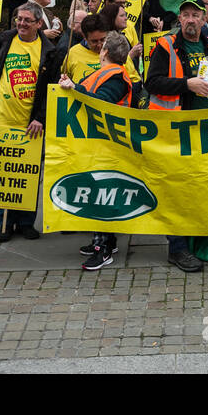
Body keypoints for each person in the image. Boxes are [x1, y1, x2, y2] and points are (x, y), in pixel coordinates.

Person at [141, 0, 208, 272]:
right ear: (179, 19)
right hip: (174, 129)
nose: (190, 19)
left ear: (204, 19)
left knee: (200, 186)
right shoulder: (166, 46)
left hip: (205, 128)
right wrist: (186, 84)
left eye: (195, 15)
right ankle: (177, 248)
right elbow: (151, 82)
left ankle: (199, 240)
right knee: (177, 189)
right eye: (186, 15)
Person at [0, 1, 62, 242]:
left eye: (27, 20)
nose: (21, 23)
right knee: (4, 172)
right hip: (4, 118)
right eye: (19, 18)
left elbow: (52, 89)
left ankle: (26, 222)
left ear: (39, 23)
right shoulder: (4, 41)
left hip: (31, 124)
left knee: (28, 173)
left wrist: (40, 118)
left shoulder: (50, 50)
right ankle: (4, 222)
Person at [66, 31, 145, 270]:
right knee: (100, 191)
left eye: (102, 47)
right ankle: (105, 241)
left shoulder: (116, 78)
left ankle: (103, 249)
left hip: (106, 145)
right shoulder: (111, 75)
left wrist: (74, 89)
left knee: (101, 193)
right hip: (100, 143)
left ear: (105, 52)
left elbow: (100, 104)